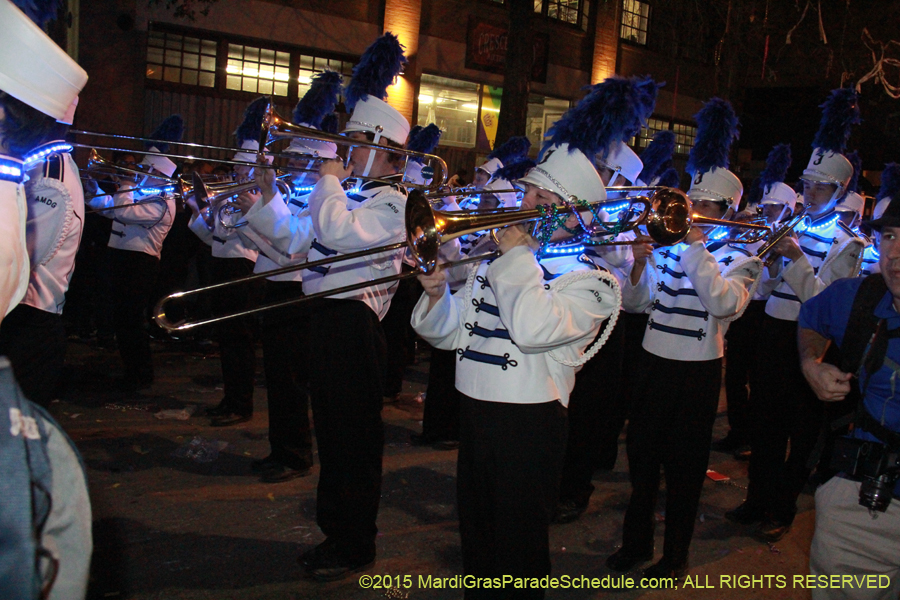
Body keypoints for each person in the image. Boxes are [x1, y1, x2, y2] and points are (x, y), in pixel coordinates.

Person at [413, 139, 622, 599]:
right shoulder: (505, 262)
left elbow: (531, 329)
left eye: (541, 200)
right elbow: (452, 336)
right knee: (478, 538)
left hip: (529, 424)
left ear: (572, 215)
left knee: (518, 551)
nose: (525, 204)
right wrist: (435, 295)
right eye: (528, 192)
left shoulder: (592, 282)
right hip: (477, 411)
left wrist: (514, 257)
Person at [612, 98, 762, 581]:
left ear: (727, 209)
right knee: (641, 460)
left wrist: (696, 247)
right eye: (690, 203)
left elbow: (723, 304)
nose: (692, 211)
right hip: (654, 362)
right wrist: (638, 263)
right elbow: (637, 304)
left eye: (704, 206)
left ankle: (675, 557)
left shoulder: (744, 256)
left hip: (697, 374)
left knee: (683, 471)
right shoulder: (668, 246)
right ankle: (634, 545)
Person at [290, 33, 411, 581]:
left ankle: (354, 541)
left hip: (354, 326)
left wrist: (330, 181)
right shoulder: (358, 194)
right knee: (333, 435)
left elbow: (337, 231)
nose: (344, 148)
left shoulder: (396, 203)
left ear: (383, 146)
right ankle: (336, 532)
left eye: (355, 140)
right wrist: (262, 202)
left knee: (353, 442)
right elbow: (299, 247)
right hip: (328, 318)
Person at [726, 88, 865, 543]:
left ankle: (782, 508)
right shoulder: (792, 227)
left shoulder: (848, 244)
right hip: (773, 330)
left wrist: (797, 258)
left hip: (811, 341)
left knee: (799, 432)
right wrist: (767, 268)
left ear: (839, 190)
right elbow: (766, 291)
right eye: (805, 185)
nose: (807, 193)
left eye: (817, 187)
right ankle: (756, 499)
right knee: (765, 423)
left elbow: (825, 300)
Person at [0, 3, 92, 599]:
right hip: (27, 311)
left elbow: (28, 255)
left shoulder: (51, 177)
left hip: (36, 316)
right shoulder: (35, 173)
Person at [551, 75, 660, 525]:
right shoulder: (572, 201)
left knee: (588, 413)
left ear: (620, 179)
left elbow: (637, 300)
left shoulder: (632, 219)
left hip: (602, 323)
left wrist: (631, 258)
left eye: (602, 168)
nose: (594, 173)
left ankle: (575, 487)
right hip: (559, 311)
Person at [233, 70, 343, 482]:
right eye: (292, 157)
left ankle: (296, 454)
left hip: (298, 294)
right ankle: (281, 448)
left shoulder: (326, 198)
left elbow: (295, 245)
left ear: (318, 160)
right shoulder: (295, 193)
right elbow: (270, 245)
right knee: (277, 378)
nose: (292, 163)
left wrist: (266, 201)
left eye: (300, 158)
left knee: (292, 380)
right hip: (276, 287)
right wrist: (250, 208)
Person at [799, 190, 900, 600]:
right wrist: (811, 364)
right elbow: (811, 319)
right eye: (890, 236)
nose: (895, 254)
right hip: (863, 509)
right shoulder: (857, 298)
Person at [87, 115, 182, 391]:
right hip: (121, 257)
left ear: (158, 174)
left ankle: (140, 373)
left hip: (139, 262)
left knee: (131, 320)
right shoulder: (143, 192)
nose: (139, 172)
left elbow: (124, 212)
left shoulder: (162, 201)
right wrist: (92, 190)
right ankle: (132, 369)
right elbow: (110, 206)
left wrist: (125, 183)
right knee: (122, 319)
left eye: (144, 169)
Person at [188, 98, 267, 426]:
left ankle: (241, 404)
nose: (234, 171)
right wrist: (200, 212)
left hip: (242, 269)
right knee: (227, 340)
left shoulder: (260, 197)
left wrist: (247, 208)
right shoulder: (233, 194)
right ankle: (229, 399)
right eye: (235, 167)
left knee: (240, 342)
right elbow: (216, 237)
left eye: (239, 168)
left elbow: (256, 240)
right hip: (223, 263)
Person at [713, 143, 793, 458]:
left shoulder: (786, 236)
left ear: (786, 208)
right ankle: (738, 429)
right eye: (767, 204)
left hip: (763, 310)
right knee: (734, 374)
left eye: (775, 206)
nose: (768, 210)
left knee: (756, 378)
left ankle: (751, 434)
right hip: (743, 308)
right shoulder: (750, 227)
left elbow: (772, 279)